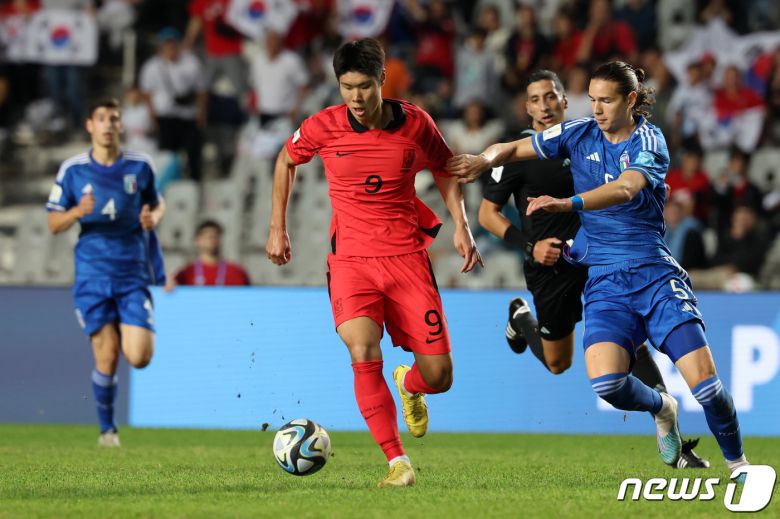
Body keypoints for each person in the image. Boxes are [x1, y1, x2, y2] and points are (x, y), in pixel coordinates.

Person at [448, 61, 749, 477]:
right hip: (604, 280)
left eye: (605, 100)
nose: (596, 109)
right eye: (591, 100)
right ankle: (663, 407)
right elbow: (515, 149)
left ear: (629, 100)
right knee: (606, 383)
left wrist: (567, 203)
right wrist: (484, 158)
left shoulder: (650, 139)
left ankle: (739, 466)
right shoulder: (578, 132)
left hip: (654, 276)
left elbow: (626, 188)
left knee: (708, 388)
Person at [266, 38, 482, 488]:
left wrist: (460, 225)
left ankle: (410, 385)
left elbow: (443, 167)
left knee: (439, 376)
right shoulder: (323, 126)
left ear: (383, 80)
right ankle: (397, 462)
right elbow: (287, 158)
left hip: (407, 259)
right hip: (352, 261)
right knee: (363, 351)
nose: (357, 98)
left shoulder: (417, 123)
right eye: (347, 87)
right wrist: (276, 226)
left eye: (364, 86)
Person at [46, 98, 165, 447]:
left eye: (114, 118)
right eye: (101, 119)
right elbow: (53, 222)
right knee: (107, 354)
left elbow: (157, 204)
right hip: (92, 274)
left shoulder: (140, 166)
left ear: (121, 125)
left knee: (140, 357)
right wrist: (77, 212)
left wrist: (152, 219)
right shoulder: (73, 170)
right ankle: (107, 431)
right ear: (89, 126)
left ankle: (108, 427)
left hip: (131, 274)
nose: (108, 124)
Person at [169, 219, 250, 287]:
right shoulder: (185, 274)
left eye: (215, 236)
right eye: (206, 236)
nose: (211, 239)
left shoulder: (237, 273)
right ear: (197, 240)